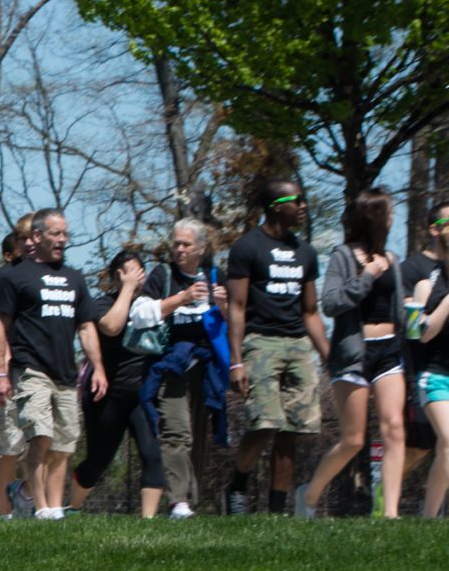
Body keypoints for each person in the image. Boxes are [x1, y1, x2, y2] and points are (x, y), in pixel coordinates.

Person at [0, 208, 104, 520]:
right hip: (30, 369)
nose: (62, 239)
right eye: (55, 233)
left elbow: (87, 327)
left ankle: (45, 502)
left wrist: (98, 368)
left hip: (66, 374)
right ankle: (42, 508)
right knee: (40, 435)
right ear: (37, 236)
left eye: (65, 233)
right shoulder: (12, 276)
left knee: (64, 445)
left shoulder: (74, 278)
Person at [301, 189, 408, 518]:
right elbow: (331, 304)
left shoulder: (391, 257)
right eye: (389, 211)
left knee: (394, 428)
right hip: (353, 354)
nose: (393, 217)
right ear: (374, 216)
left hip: (390, 350)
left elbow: (401, 309)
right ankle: (309, 496)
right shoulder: (342, 256)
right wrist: (366, 277)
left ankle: (390, 513)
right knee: (353, 440)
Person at [224, 178, 327, 514]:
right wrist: (236, 361)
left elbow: (311, 311)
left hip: (298, 344)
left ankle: (277, 511)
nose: (303, 206)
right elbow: (236, 308)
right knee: (264, 422)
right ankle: (238, 485)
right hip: (260, 341)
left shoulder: (306, 252)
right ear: (275, 205)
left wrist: (329, 355)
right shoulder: (246, 248)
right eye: (296, 200)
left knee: (292, 431)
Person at [70, 248, 170, 518]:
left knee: (152, 455)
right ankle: (73, 509)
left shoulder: (151, 304)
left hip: (142, 395)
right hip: (107, 396)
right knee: (98, 462)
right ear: (118, 276)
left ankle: (148, 522)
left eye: (140, 272)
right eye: (131, 273)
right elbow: (112, 327)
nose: (138, 278)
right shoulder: (102, 304)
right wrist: (126, 290)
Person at [140, 218, 230, 517]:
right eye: (176, 243)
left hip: (206, 369)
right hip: (170, 365)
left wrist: (224, 305)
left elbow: (233, 322)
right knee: (177, 432)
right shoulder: (162, 275)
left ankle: (191, 499)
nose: (178, 249)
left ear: (201, 249)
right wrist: (182, 298)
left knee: (198, 436)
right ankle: (178, 501)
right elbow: (139, 315)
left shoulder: (215, 276)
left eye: (186, 244)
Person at [0, 224, 37, 517]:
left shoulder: (56, 275)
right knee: (10, 444)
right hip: (11, 370)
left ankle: (34, 503)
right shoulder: (5, 277)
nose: (29, 243)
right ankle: (4, 511)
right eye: (23, 238)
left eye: (34, 236)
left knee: (45, 441)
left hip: (45, 370)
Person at [409, 200, 449, 516]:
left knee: (444, 450)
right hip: (435, 376)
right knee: (448, 442)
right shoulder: (426, 285)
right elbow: (420, 334)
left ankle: (429, 519)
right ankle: (429, 517)